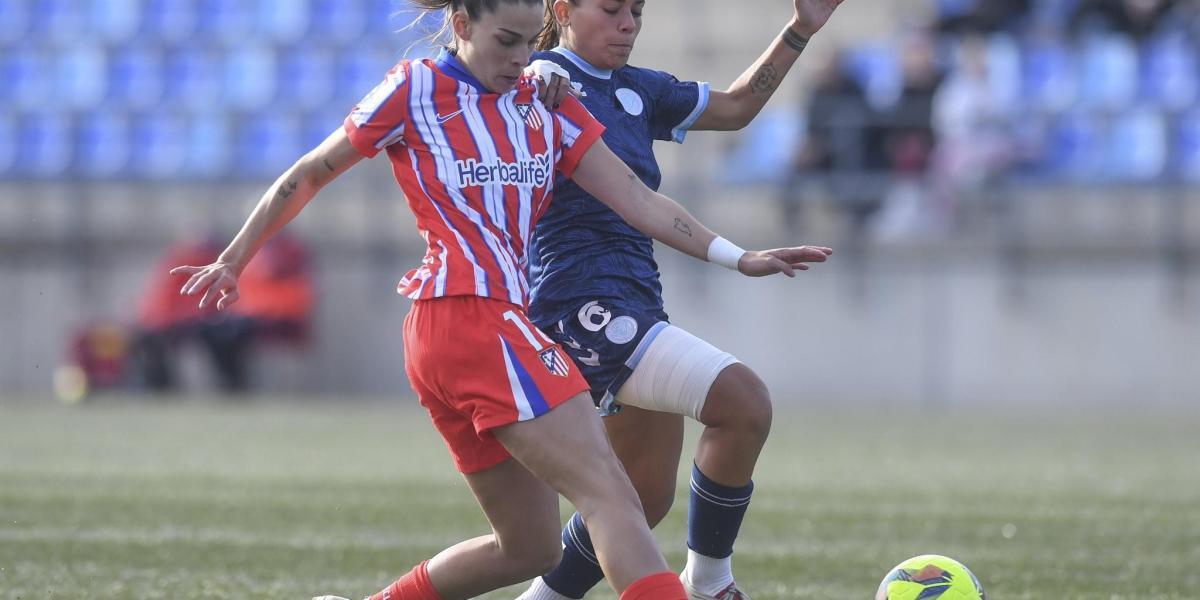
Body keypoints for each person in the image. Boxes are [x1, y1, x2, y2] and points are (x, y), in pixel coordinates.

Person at [171, 1, 832, 599]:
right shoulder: (417, 87)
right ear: (462, 26)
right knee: (613, 497)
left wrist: (737, 256)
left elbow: (638, 200)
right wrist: (236, 257)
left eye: (526, 45)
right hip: (471, 314)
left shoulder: (547, 100)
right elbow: (313, 168)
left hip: (463, 331)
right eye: (508, 43)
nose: (520, 59)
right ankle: (708, 587)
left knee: (531, 546)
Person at [517, 2, 842, 599]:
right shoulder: (536, 80)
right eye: (611, 9)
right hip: (578, 304)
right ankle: (711, 583)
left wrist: (800, 30)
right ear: (562, 9)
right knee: (743, 402)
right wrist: (525, 78)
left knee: (641, 496)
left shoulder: (639, 89)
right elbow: (482, 87)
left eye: (636, 12)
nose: (628, 25)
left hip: (635, 301)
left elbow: (739, 107)